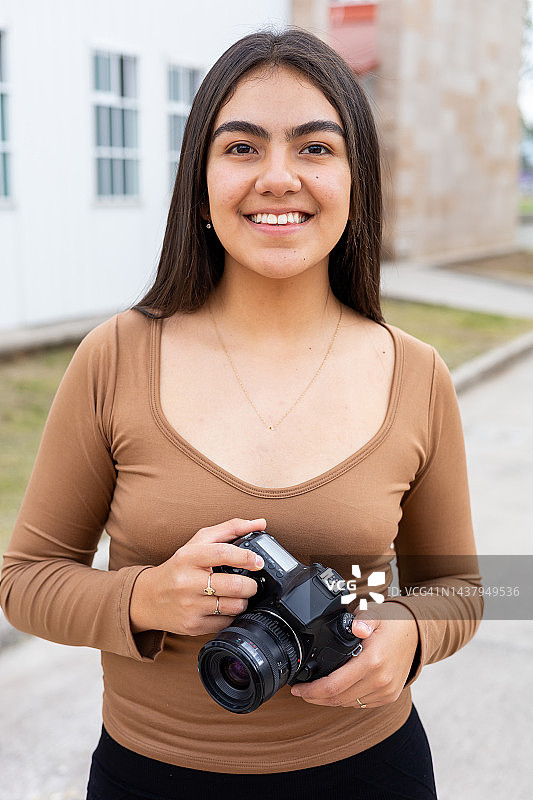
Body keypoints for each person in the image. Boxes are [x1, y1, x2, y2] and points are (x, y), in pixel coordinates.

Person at [0, 29, 483, 800]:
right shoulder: (115, 357)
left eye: (316, 148)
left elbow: (461, 584)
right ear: (200, 184)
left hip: (372, 772)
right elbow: (23, 579)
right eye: (242, 147)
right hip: (150, 777)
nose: (279, 177)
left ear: (357, 181)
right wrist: (144, 597)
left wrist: (414, 633)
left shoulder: (416, 374)